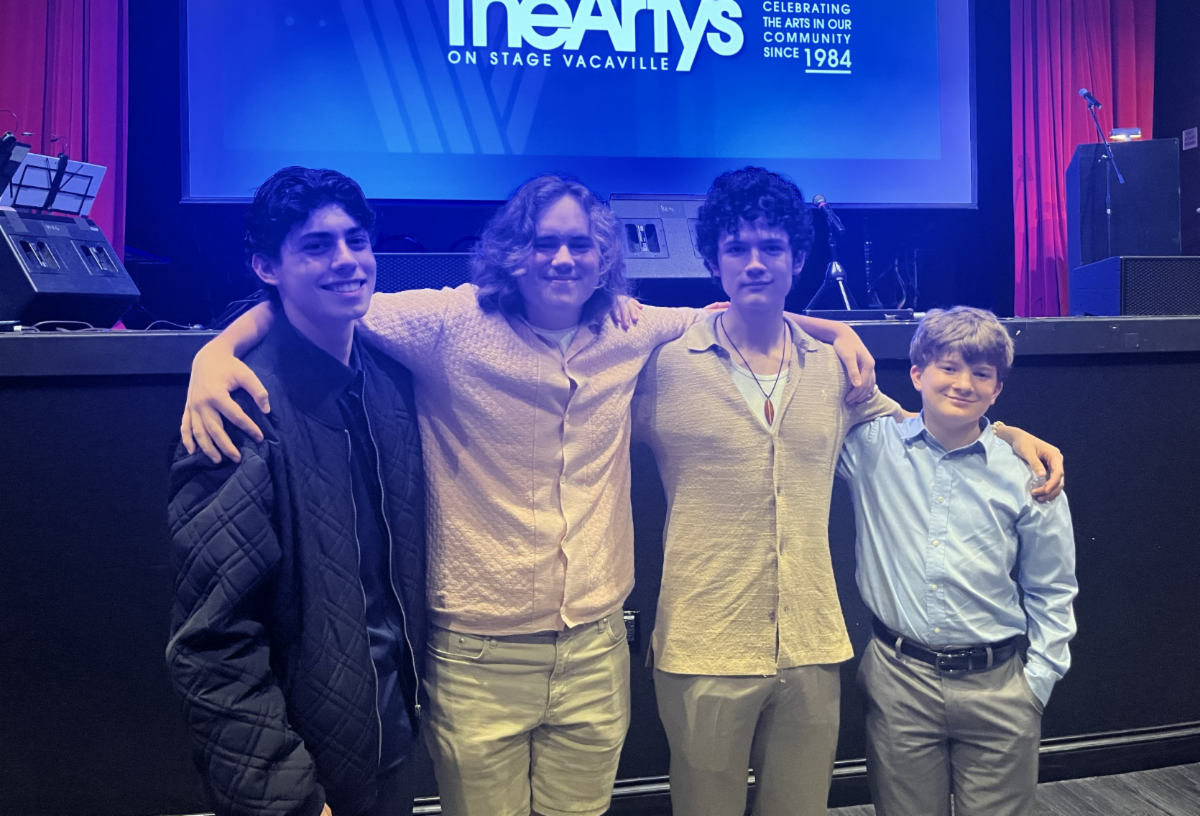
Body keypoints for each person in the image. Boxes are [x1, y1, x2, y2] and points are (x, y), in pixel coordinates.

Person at [177, 174, 883, 816]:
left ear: (604, 258)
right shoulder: (447, 323)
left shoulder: (630, 328)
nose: (563, 259)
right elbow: (328, 302)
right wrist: (216, 351)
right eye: (545, 243)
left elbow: (732, 311)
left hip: (595, 652)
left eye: (581, 244)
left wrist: (833, 329)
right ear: (512, 251)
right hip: (478, 659)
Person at [631, 169, 1061, 816]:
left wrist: (1005, 433)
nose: (755, 262)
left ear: (797, 258)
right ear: (713, 260)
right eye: (737, 247)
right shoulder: (662, 364)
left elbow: (923, 429)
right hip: (702, 642)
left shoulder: (835, 370)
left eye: (772, 247)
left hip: (811, 645)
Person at [167, 168, 427, 816]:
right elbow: (212, 645)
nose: (347, 260)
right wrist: (290, 797)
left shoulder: (391, 381)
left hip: (392, 743)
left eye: (356, 240)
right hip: (303, 778)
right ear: (266, 266)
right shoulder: (236, 410)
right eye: (316, 245)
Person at [837, 307, 1078, 816]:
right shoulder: (870, 447)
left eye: (981, 374)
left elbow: (1052, 587)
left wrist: (1037, 683)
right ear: (917, 374)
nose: (963, 384)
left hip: (1000, 686)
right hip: (898, 680)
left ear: (997, 389)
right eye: (948, 367)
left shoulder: (1029, 474)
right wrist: (831, 327)